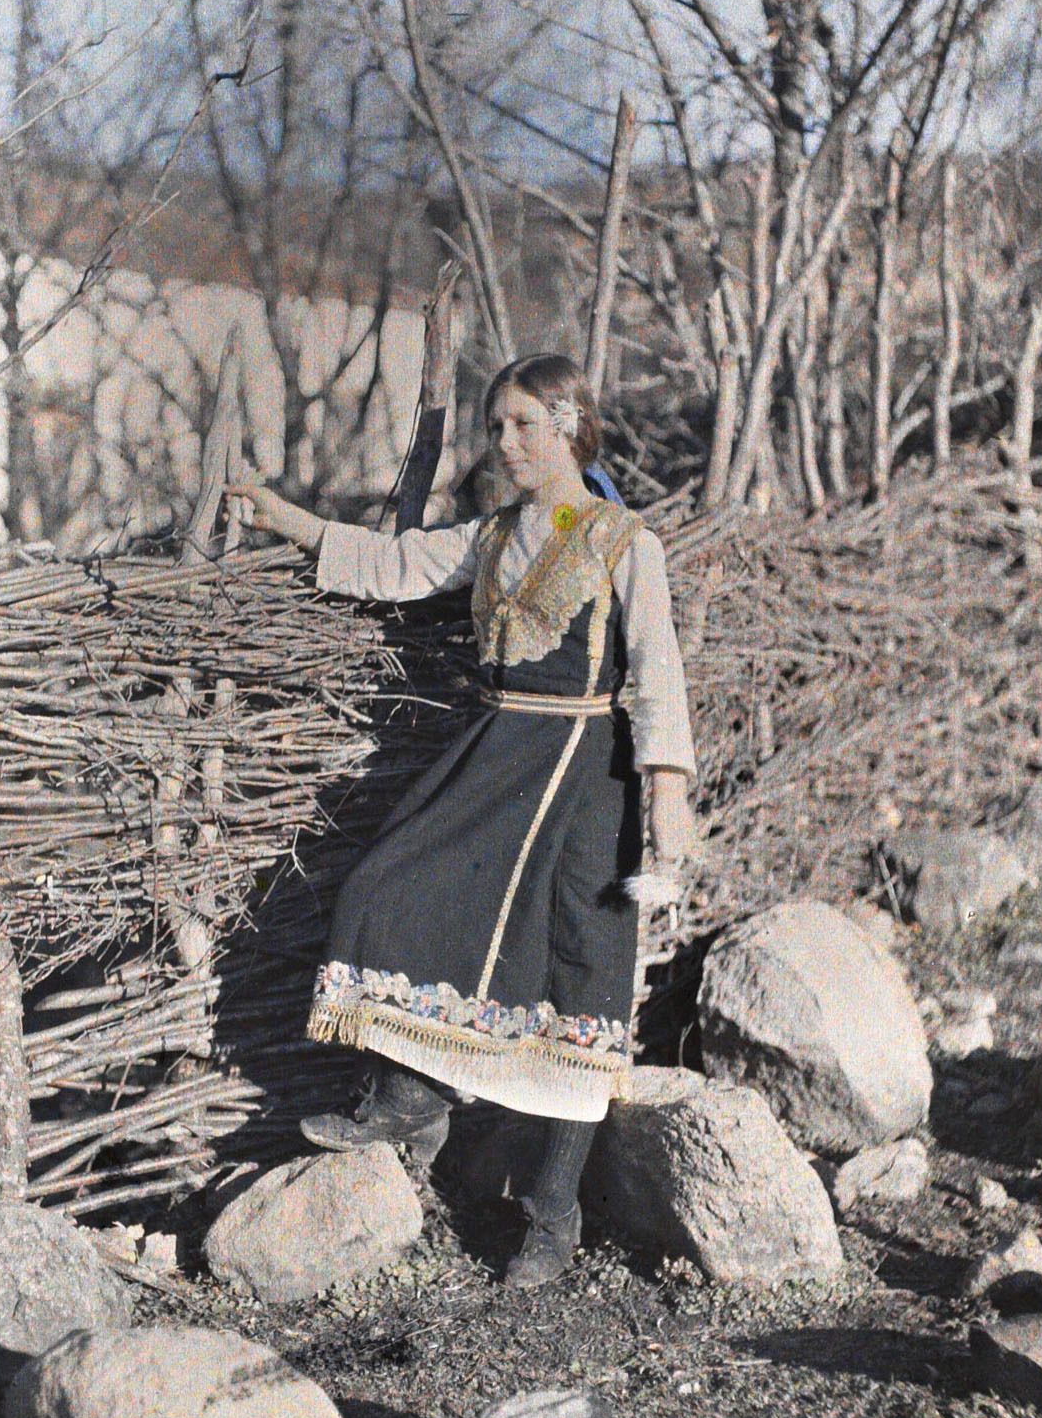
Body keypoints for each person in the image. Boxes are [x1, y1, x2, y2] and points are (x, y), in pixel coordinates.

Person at [224, 353, 697, 1288]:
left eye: (523, 424)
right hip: (492, 758)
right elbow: (396, 566)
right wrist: (285, 519)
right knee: (384, 885)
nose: (505, 443)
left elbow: (656, 668)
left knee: (576, 981)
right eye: (495, 428)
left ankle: (550, 1219)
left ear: (569, 425)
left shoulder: (617, 540)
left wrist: (667, 790)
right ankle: (407, 1090)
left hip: (584, 775)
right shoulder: (492, 536)